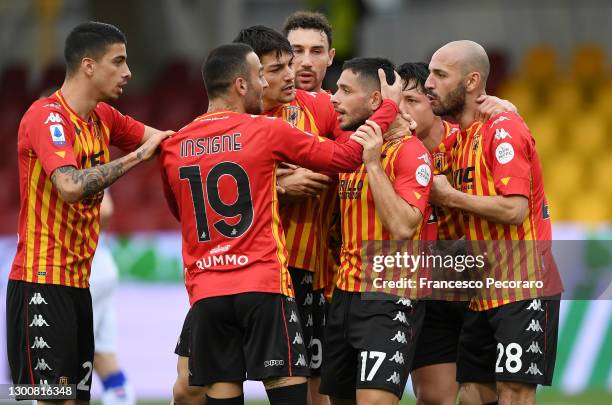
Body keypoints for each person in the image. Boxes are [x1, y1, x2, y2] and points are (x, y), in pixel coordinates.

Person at [159, 43, 401, 405]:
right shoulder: (266, 130)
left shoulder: (174, 145)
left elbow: (183, 214)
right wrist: (389, 108)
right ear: (241, 85)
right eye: (260, 76)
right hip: (263, 287)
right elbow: (347, 157)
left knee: (220, 395)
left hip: (207, 292)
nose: (266, 84)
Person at [6, 21, 171, 403]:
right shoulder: (47, 117)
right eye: (119, 61)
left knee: (77, 398)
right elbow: (69, 186)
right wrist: (133, 159)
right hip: (40, 283)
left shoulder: (103, 118)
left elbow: (163, 142)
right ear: (89, 65)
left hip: (80, 286)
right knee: (50, 399)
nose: (129, 72)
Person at [426, 40, 563, 405]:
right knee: (472, 394)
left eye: (440, 74)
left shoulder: (503, 129)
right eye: (429, 73)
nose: (429, 83)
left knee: (513, 394)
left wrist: (449, 196)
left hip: (524, 286)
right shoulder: (461, 138)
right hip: (482, 291)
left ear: (472, 81)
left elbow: (514, 210)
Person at [396, 62, 514, 405]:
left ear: (433, 103)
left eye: (412, 100)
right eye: (397, 102)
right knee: (435, 397)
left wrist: (509, 112)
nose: (402, 111)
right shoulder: (391, 153)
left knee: (480, 395)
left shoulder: (467, 141)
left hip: (480, 286)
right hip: (430, 290)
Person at [319, 57, 435, 405]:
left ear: (375, 101)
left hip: (388, 298)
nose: (334, 98)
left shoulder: (410, 152)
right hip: (344, 295)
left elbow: (402, 225)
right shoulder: (347, 147)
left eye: (344, 90)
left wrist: (372, 162)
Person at [90, 191, 136, 405]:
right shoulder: (90, 158)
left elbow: (104, 209)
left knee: (56, 360)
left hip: (80, 270)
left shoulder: (64, 160)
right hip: (100, 265)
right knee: (102, 356)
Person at [282, 11, 336, 93]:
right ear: (282, 55)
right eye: (297, 51)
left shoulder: (338, 105)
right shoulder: (262, 105)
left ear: (330, 57)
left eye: (316, 52)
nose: (306, 63)